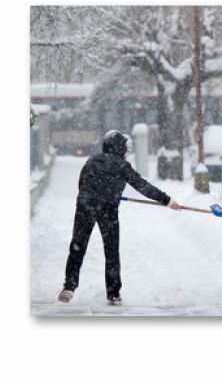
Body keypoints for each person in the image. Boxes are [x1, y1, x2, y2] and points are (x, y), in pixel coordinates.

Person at [58, 130, 181, 306]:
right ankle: (113, 294)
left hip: (85, 206)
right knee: (111, 251)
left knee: (77, 246)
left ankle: (68, 287)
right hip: (108, 210)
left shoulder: (92, 160)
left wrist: (95, 195)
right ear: (119, 148)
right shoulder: (122, 166)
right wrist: (167, 200)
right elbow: (143, 186)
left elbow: (82, 183)